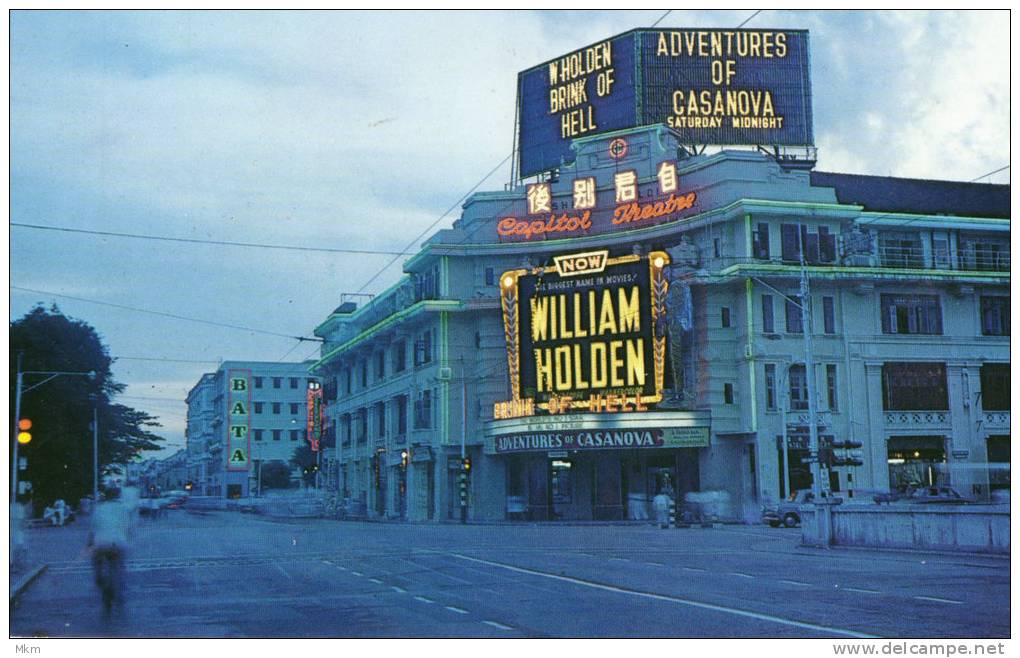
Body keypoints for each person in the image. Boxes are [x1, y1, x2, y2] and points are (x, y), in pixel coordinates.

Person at [88, 487, 133, 618]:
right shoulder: (124, 509)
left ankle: (100, 578)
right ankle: (118, 587)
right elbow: (128, 528)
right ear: (118, 495)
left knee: (97, 561)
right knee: (118, 566)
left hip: (101, 543)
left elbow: (93, 528)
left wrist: (89, 543)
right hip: (118, 543)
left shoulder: (99, 508)